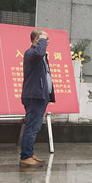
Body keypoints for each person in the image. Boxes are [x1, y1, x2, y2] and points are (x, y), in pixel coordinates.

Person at [19, 29, 55, 166]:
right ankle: (25, 156)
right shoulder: (31, 53)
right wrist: (42, 41)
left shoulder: (39, 56)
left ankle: (29, 153)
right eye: (45, 39)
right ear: (36, 39)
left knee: (34, 127)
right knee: (32, 127)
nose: (47, 41)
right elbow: (39, 52)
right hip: (34, 97)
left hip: (40, 96)